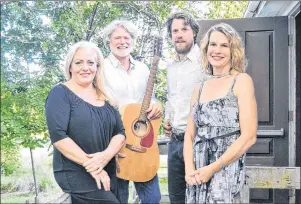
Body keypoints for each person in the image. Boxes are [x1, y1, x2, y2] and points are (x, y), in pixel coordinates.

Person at [184, 23, 258, 203]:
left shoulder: (241, 81)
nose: (217, 50)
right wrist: (189, 169)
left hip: (225, 169)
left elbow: (249, 136)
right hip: (198, 170)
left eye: (224, 45)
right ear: (206, 48)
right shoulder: (198, 89)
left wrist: (213, 168)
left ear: (233, 51)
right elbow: (189, 135)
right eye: (213, 44)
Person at [45, 41, 126, 203]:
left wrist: (106, 156)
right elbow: (58, 137)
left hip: (107, 167)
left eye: (90, 63)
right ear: (70, 67)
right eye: (78, 62)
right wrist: (93, 165)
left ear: (97, 67)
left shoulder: (106, 95)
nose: (85, 67)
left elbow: (120, 133)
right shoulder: (60, 93)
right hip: (75, 170)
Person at [102, 20, 162, 204]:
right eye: (117, 38)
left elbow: (149, 98)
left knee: (153, 198)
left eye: (126, 37)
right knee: (118, 198)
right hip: (115, 139)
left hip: (141, 141)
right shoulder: (101, 68)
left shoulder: (143, 69)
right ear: (109, 42)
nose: (122, 41)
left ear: (133, 41)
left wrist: (156, 104)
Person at [163, 12, 206, 204]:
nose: (179, 34)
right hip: (174, 142)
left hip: (199, 142)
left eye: (184, 29)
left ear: (194, 32)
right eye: (175, 31)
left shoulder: (206, 62)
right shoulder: (171, 66)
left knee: (200, 197)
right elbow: (172, 98)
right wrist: (168, 118)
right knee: (177, 198)